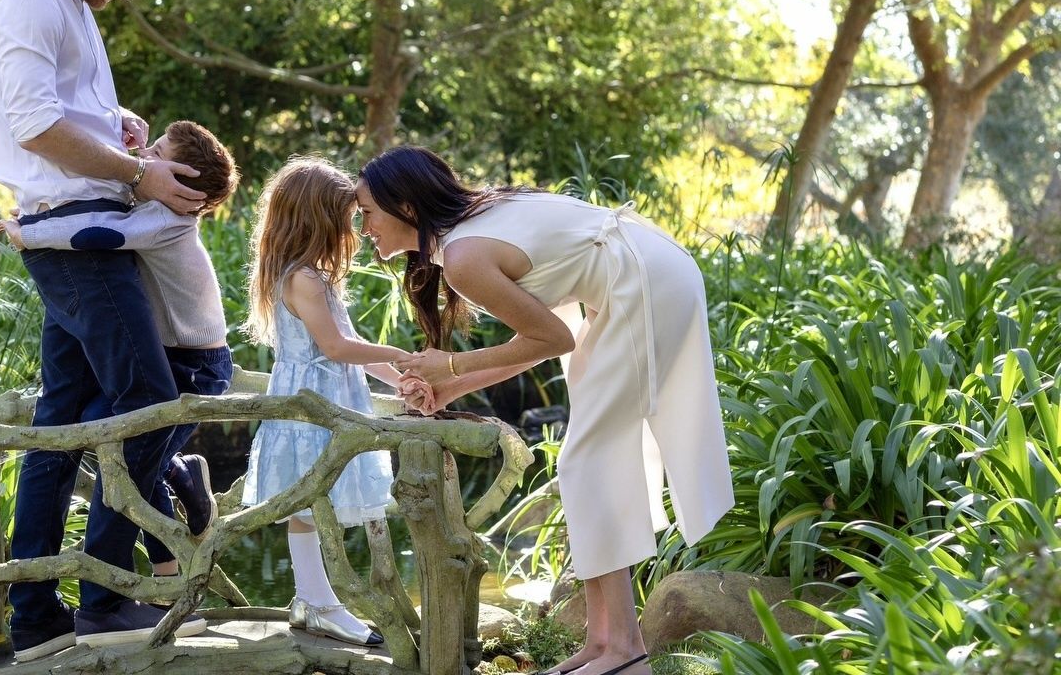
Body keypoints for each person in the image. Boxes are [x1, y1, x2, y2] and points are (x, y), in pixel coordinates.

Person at [357, 146, 733, 675]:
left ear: (407, 208)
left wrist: (451, 365)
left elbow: (553, 337)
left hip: (646, 284)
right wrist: (447, 387)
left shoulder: (464, 257)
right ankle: (604, 644)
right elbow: (537, 341)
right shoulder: (475, 227)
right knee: (588, 461)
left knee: (587, 460)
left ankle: (625, 651)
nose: (363, 226)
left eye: (368, 211)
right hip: (640, 276)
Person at [0, 0, 209, 662]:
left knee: (62, 424)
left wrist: (116, 128)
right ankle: (107, 596)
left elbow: (63, 112)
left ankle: (37, 615)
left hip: (76, 234)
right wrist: (140, 176)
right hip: (78, 243)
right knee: (148, 402)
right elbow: (35, 127)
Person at [0, 120, 240, 574]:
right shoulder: (150, 206)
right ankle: (176, 486)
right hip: (175, 353)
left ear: (181, 182)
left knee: (130, 450)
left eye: (159, 153)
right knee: (110, 435)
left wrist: (28, 234)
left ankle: (167, 558)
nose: (145, 160)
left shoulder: (166, 220)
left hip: (197, 363)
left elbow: (100, 232)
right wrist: (135, 148)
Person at [239, 158, 409, 647]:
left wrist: (401, 379)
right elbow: (335, 349)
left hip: (326, 399)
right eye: (348, 216)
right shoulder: (303, 279)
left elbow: (349, 343)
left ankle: (311, 596)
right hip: (312, 407)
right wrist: (401, 352)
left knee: (315, 502)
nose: (355, 227)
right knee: (313, 500)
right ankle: (320, 602)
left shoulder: (314, 276)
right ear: (319, 218)